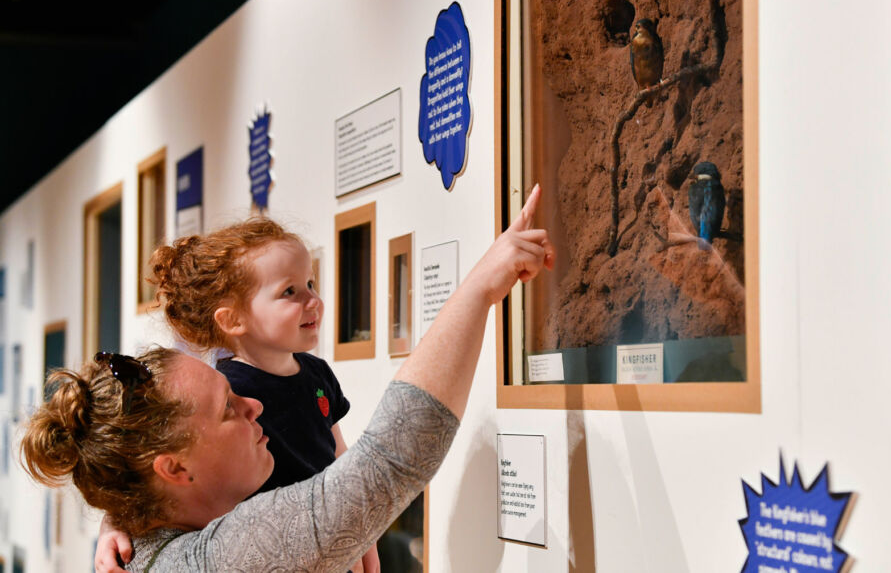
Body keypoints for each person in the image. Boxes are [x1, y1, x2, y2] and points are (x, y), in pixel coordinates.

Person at [21, 185, 554, 572]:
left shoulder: (154, 540)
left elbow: (344, 458)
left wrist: (117, 519)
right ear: (174, 467)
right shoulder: (226, 554)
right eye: (229, 408)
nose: (253, 408)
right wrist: (483, 284)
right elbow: (387, 463)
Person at [96, 216, 377, 572]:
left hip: (330, 530)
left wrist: (362, 525)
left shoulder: (317, 373)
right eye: (289, 291)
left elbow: (339, 457)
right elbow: (149, 463)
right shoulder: (224, 393)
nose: (314, 300)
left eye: (310, 283)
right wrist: (114, 524)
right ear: (231, 320)